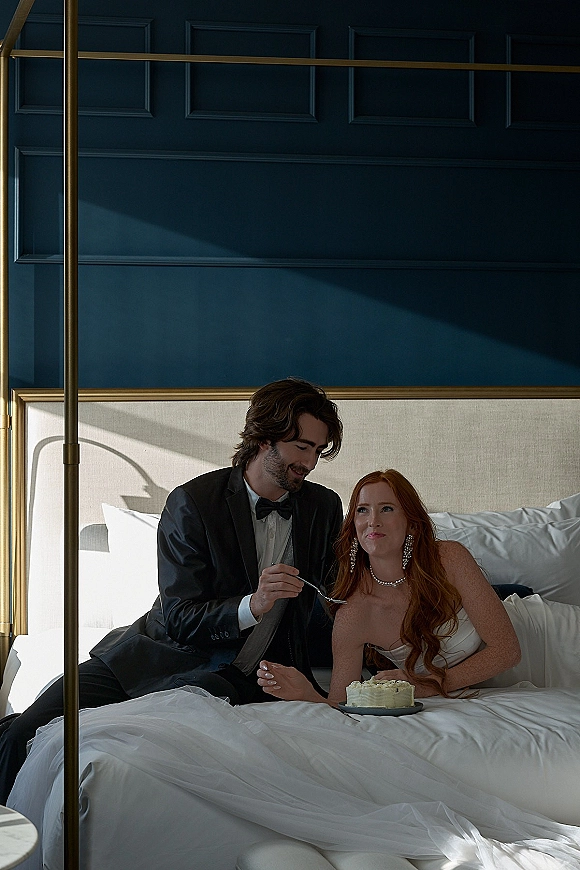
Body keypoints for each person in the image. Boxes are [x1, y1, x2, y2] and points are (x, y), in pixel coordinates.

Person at [0, 377, 344, 802]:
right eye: (301, 446)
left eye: (316, 450)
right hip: (153, 654)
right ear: (264, 437)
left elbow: (337, 596)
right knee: (22, 734)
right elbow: (180, 617)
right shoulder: (194, 502)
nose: (308, 462)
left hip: (234, 677)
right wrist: (251, 605)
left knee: (124, 757)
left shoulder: (323, 506)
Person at [257, 468, 522, 706]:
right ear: (354, 526)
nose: (373, 520)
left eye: (386, 508)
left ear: (410, 522)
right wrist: (308, 694)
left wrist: (428, 685)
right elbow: (341, 702)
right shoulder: (353, 614)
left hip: (535, 653)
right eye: (362, 510)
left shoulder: (449, 559)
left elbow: (507, 651)